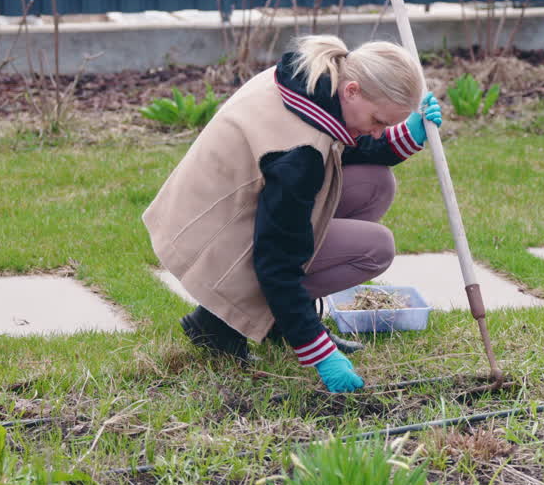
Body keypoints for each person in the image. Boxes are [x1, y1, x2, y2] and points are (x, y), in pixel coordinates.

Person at [142, 35, 442, 393]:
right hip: (216, 243)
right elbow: (276, 262)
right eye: (379, 121)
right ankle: (235, 319)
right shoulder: (298, 157)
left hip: (214, 213)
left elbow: (344, 145)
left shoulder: (313, 79)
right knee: (375, 248)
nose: (377, 131)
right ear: (351, 91)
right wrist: (317, 350)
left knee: (376, 185)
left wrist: (403, 136)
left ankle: (230, 321)